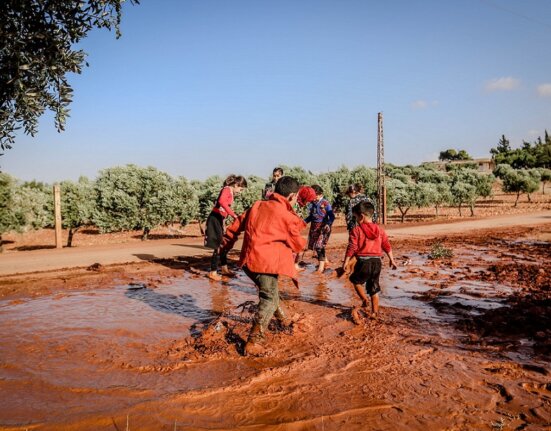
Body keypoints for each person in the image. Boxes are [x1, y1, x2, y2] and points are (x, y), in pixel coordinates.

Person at [220, 176, 306, 356]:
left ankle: (285, 320)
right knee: (269, 299)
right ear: (291, 196)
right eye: (296, 197)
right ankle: (254, 341)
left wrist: (224, 248)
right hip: (265, 264)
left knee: (272, 294)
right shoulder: (286, 215)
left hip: (248, 262)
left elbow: (234, 228)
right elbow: (298, 245)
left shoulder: (256, 205)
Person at [338, 201, 397, 322]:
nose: (355, 220)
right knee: (374, 288)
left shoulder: (356, 230)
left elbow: (352, 247)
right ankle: (374, 313)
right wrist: (392, 259)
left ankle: (364, 300)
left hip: (364, 262)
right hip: (377, 262)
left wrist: (346, 261)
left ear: (361, 216)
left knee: (355, 280)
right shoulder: (380, 230)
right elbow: (386, 245)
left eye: (355, 217)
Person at [204, 175, 248, 281]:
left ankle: (224, 269)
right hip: (214, 219)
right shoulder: (227, 189)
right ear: (237, 185)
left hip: (219, 219)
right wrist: (233, 215)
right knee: (218, 245)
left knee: (222, 244)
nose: (240, 192)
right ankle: (213, 272)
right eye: (241, 189)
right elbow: (221, 202)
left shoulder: (230, 192)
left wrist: (223, 222)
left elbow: (223, 209)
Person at [305, 185, 335, 273]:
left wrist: (328, 224)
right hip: (314, 228)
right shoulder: (313, 204)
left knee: (319, 246)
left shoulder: (325, 203)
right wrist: (303, 222)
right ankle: (325, 260)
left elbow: (332, 216)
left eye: (314, 196)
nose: (313, 199)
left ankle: (321, 268)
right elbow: (311, 216)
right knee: (317, 245)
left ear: (320, 194)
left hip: (323, 228)